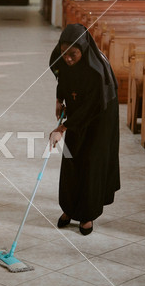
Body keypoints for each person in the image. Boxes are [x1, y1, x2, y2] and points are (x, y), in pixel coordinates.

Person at [48, 23, 120, 235]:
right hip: (79, 112)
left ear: (84, 50)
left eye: (73, 54)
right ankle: (69, 209)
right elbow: (63, 76)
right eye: (64, 53)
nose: (68, 59)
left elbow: (92, 108)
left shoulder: (97, 72)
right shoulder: (64, 60)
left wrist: (62, 127)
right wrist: (59, 98)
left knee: (90, 163)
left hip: (100, 120)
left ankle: (87, 215)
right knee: (71, 159)